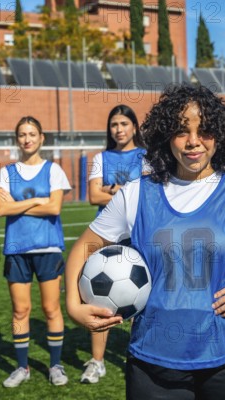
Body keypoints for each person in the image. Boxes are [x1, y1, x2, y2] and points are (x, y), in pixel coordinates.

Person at [65, 84, 225, 400]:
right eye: (181, 130)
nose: (193, 141)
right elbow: (83, 248)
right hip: (154, 362)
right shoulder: (137, 193)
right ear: (165, 136)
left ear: (220, 134)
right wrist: (72, 305)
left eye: (204, 130)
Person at [0, 116, 71, 387]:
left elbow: (54, 208)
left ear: (42, 138)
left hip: (48, 248)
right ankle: (21, 367)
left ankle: (55, 365)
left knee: (51, 309)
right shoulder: (6, 172)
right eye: (22, 135)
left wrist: (20, 203)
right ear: (17, 139)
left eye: (32, 134)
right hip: (17, 250)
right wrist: (38, 199)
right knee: (20, 310)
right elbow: (1, 209)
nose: (27, 139)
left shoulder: (54, 171)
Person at [82, 104, 146, 384]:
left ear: (134, 127)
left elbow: (146, 193)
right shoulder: (101, 158)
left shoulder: (146, 156)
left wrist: (112, 189)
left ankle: (140, 357)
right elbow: (93, 197)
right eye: (114, 125)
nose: (119, 130)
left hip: (139, 233)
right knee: (101, 298)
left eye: (124, 124)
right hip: (106, 235)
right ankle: (97, 362)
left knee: (140, 296)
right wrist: (126, 191)